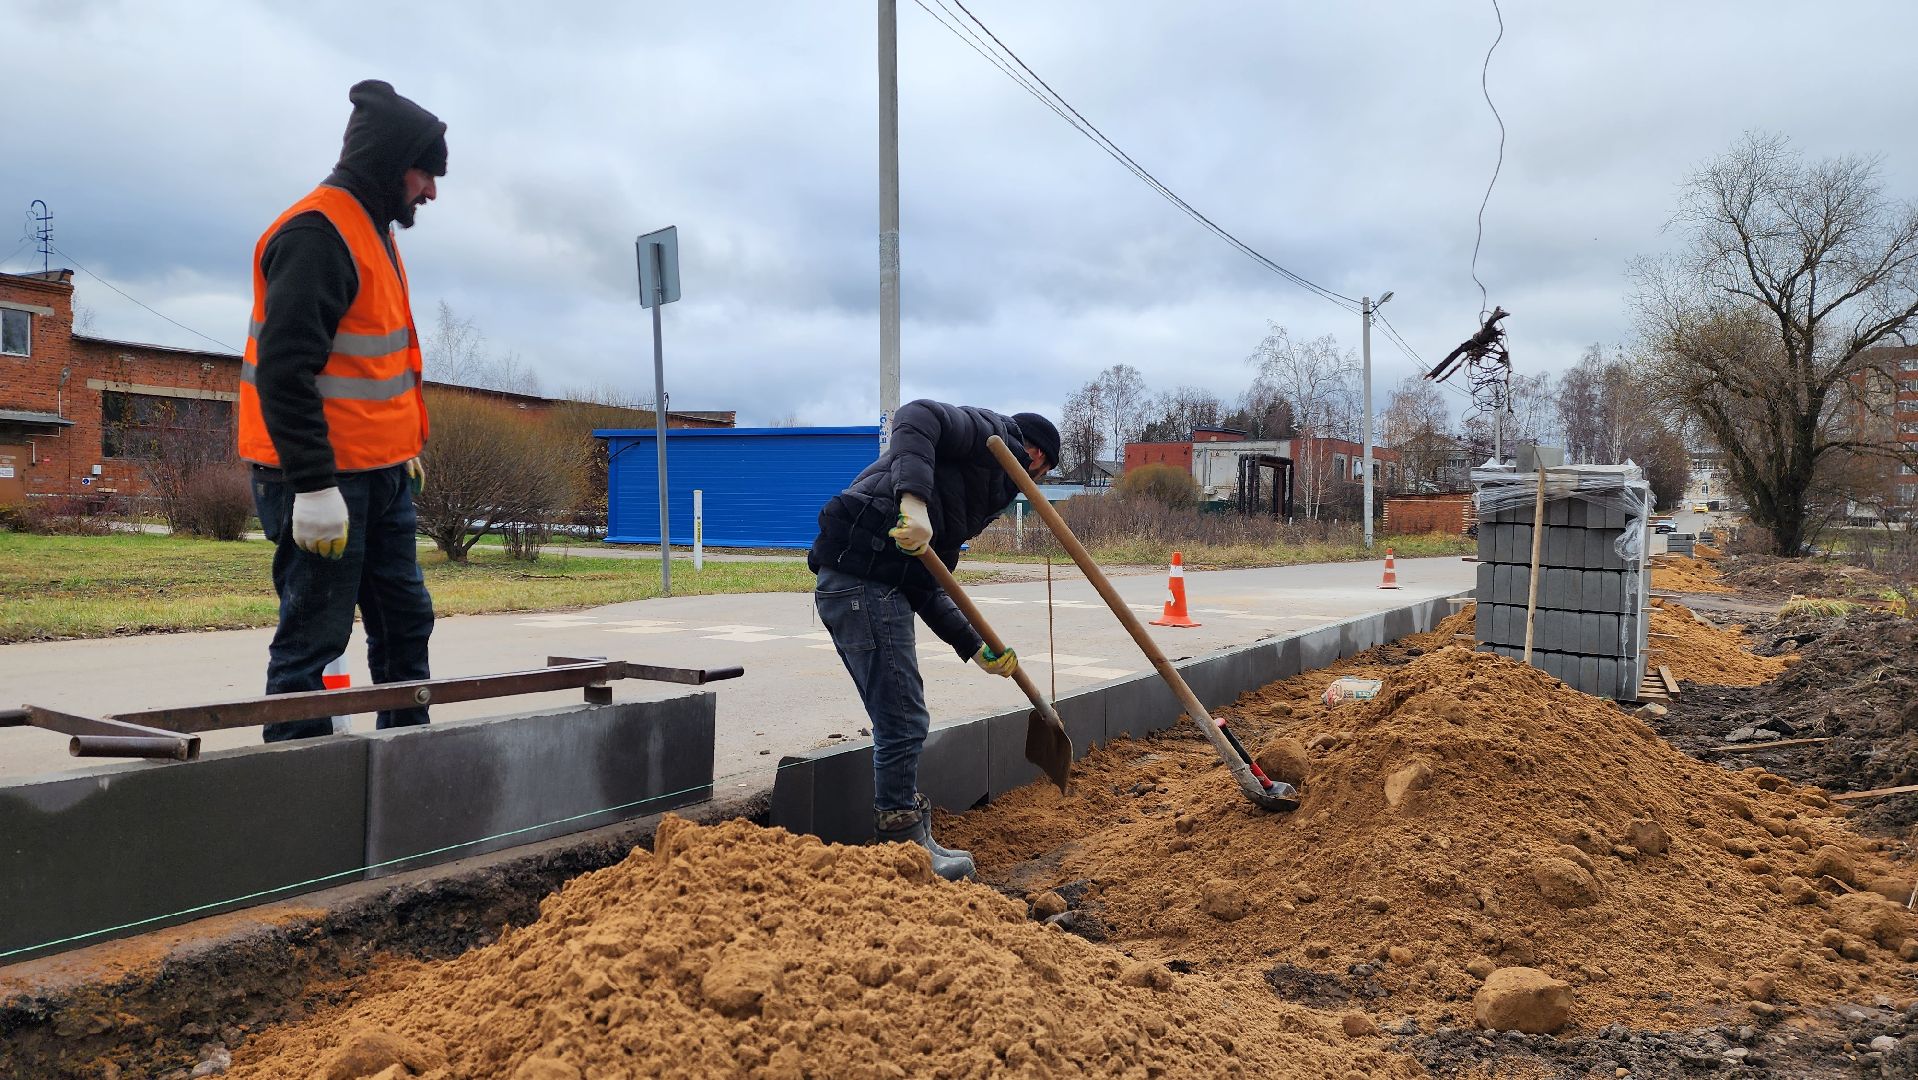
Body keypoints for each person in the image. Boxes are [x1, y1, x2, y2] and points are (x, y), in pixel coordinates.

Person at [236, 80, 446, 742]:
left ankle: (406, 765)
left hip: (380, 475)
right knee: (313, 639)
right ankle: (300, 800)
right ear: (389, 163)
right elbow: (285, 372)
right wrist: (315, 485)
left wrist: (401, 442)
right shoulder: (318, 233)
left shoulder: (372, 229)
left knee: (405, 622)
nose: (431, 191)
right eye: (425, 173)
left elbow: (372, 364)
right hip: (321, 480)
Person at [808, 400, 1061, 880]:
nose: (1036, 475)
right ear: (1029, 448)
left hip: (873, 582)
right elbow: (917, 416)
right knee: (903, 719)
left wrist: (974, 645)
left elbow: (927, 582)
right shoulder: (995, 436)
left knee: (902, 717)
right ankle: (901, 843)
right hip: (860, 580)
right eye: (1040, 464)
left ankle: (911, 834)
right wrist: (913, 500)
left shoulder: (976, 497)